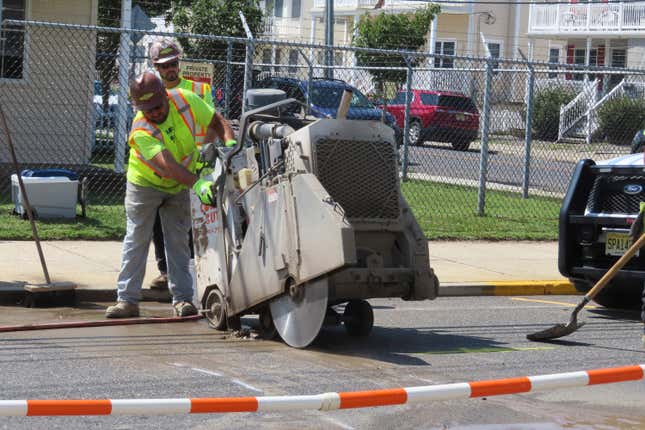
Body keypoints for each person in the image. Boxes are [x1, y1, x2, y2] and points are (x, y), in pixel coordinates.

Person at [105, 71, 235, 318]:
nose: (153, 113)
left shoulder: (185, 100)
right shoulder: (141, 129)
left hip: (178, 184)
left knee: (177, 242)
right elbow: (168, 166)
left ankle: (183, 301)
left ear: (165, 95)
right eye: (146, 108)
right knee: (137, 238)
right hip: (145, 184)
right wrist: (198, 185)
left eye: (156, 106)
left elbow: (216, 121)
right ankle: (127, 301)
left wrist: (229, 146)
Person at [147, 38, 230, 291]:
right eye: (165, 66)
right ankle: (165, 271)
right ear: (155, 67)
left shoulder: (198, 89)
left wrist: (204, 151)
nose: (171, 69)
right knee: (160, 222)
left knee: (197, 221)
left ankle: (197, 268)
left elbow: (213, 123)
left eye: (174, 63)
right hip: (165, 168)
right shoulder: (149, 93)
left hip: (195, 167)